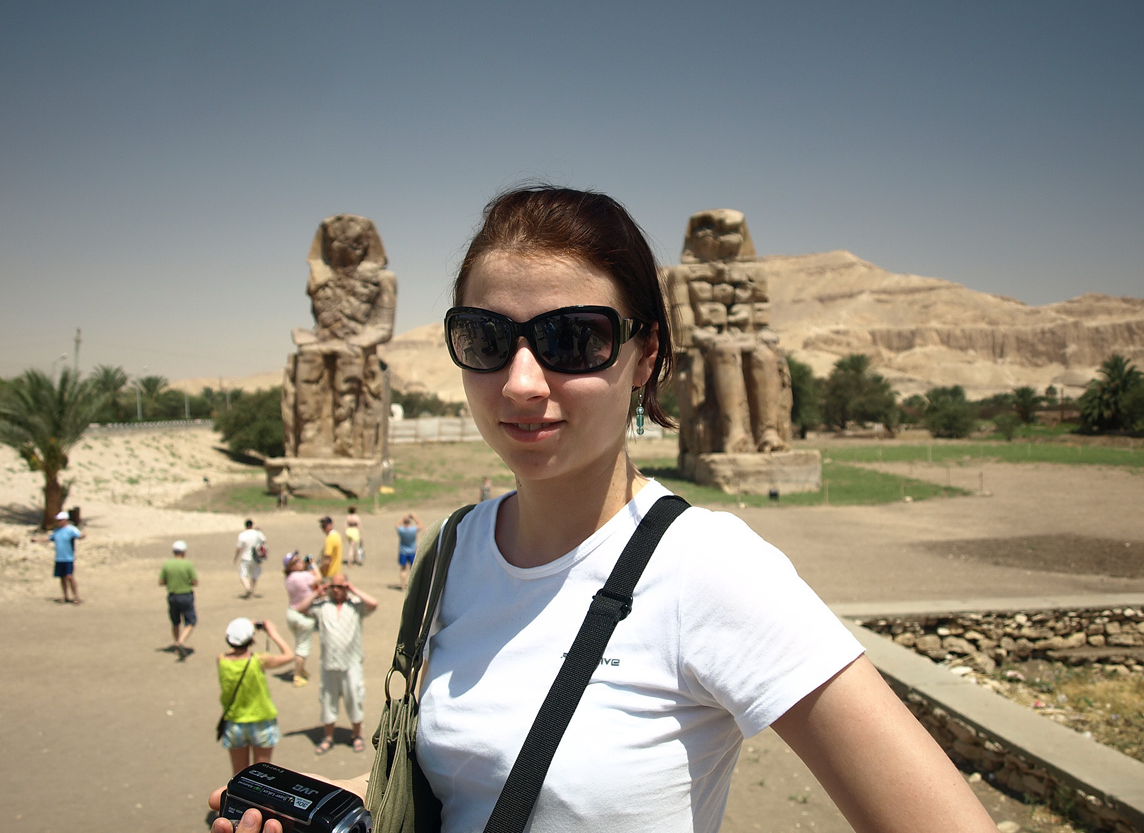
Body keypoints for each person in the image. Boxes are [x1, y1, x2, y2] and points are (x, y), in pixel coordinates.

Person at [211, 186, 998, 832]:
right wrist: (347, 798)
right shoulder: (454, 550)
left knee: (745, 358)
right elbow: (472, 777)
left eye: (575, 339)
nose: (522, 382)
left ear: (646, 353)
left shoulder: (710, 570)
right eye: (485, 338)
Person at [293, 573, 378, 755]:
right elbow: (299, 609)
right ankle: (328, 737)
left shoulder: (356, 605)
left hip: (351, 663)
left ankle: (357, 735)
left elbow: (373, 604)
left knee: (354, 698)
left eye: (341, 586)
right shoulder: (323, 606)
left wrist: (352, 589)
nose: (337, 590)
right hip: (328, 664)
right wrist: (317, 593)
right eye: (334, 586)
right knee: (327, 701)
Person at [217, 616, 295, 775]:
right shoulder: (259, 660)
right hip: (261, 721)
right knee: (262, 775)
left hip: (235, 721)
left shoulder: (221, 660)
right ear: (250, 639)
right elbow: (289, 655)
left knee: (239, 775)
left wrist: (247, 628)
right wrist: (272, 633)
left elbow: (234, 649)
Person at [283, 550, 320, 686]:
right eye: (296, 561)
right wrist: (313, 565)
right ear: (291, 566)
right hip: (303, 616)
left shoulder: (289, 578)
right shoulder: (303, 576)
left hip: (291, 613)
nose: (300, 562)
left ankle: (301, 669)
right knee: (303, 648)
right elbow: (318, 578)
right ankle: (297, 676)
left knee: (299, 644)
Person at [34, 510, 85, 604]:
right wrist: (38, 540)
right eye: (58, 520)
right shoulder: (56, 531)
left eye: (60, 520)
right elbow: (49, 538)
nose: (59, 522)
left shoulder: (71, 529)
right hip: (59, 558)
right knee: (62, 578)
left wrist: (82, 536)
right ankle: (65, 596)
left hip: (68, 558)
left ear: (65, 520)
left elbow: (79, 535)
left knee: (69, 576)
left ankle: (75, 596)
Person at [159, 540, 198, 658]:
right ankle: (180, 641)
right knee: (191, 621)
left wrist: (171, 582)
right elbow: (195, 582)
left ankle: (176, 644)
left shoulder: (167, 565)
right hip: (185, 595)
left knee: (175, 622)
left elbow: (161, 581)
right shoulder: (188, 564)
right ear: (184, 552)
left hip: (172, 596)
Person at [233, 519, 267, 599]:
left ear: (245, 526)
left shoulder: (242, 535)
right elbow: (264, 540)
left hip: (245, 557)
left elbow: (239, 548)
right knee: (255, 575)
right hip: (256, 557)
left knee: (243, 575)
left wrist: (236, 558)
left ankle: (247, 588)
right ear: (252, 525)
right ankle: (252, 591)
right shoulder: (257, 533)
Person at [394, 512, 420, 591]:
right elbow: (420, 525)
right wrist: (414, 517)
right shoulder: (413, 530)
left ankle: (403, 586)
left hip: (403, 551)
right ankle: (413, 585)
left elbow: (396, 525)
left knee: (403, 569)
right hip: (412, 551)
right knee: (413, 569)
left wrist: (403, 518)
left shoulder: (401, 530)